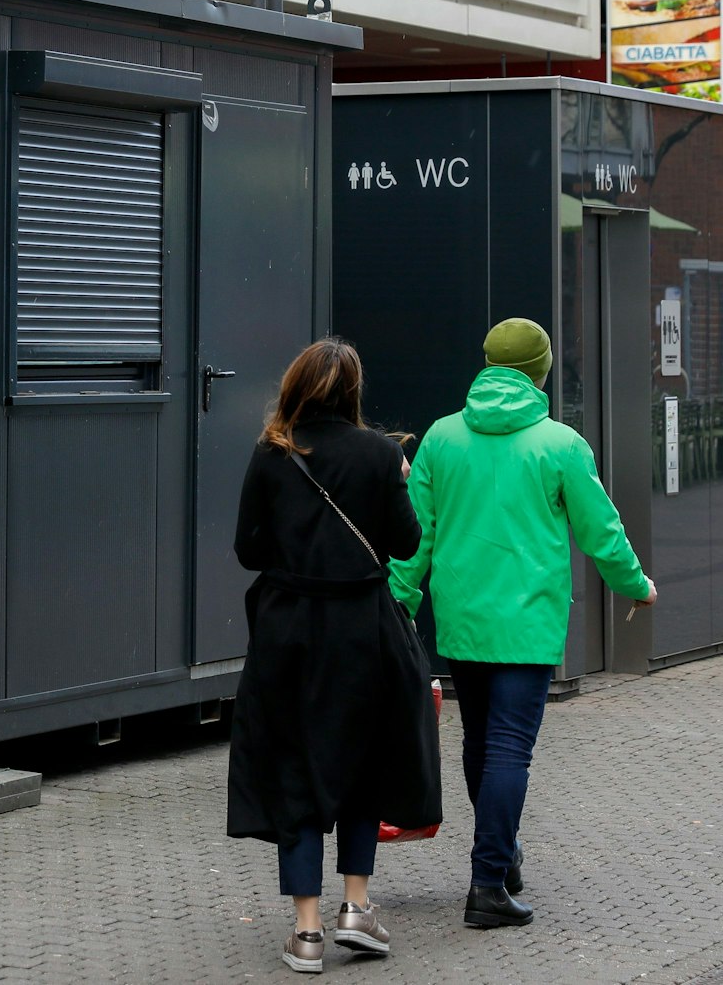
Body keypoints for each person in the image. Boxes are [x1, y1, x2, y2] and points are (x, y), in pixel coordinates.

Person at [389, 318, 656, 930]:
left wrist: (399, 603)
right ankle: (487, 885)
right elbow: (601, 530)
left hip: (461, 617)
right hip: (529, 620)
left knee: (480, 744)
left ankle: (502, 857)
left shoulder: (441, 437)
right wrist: (634, 585)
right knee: (510, 748)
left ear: (486, 364)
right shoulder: (560, 443)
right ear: (541, 370)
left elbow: (414, 536)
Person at [228, 338, 442, 975]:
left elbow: (247, 548)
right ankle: (356, 909)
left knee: (294, 765)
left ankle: (307, 933)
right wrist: (395, 481)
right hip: (363, 630)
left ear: (296, 387)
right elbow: (405, 543)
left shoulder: (274, 452)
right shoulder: (379, 453)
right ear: (352, 393)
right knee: (363, 760)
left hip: (289, 630)